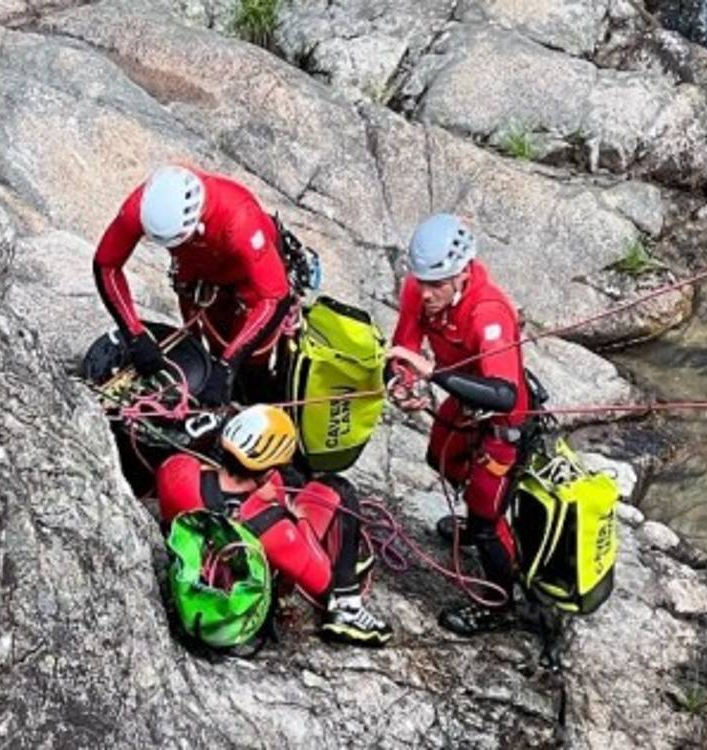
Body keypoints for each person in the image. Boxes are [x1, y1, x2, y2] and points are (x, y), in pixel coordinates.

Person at [386, 214, 530, 636]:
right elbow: (404, 347)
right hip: (464, 401)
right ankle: (477, 516)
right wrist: (403, 381)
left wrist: (430, 374)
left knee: (487, 522)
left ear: (463, 275)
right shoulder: (418, 288)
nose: (426, 294)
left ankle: (499, 606)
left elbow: (504, 393)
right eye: (423, 283)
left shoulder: (489, 313)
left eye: (437, 285)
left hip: (503, 423)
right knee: (440, 457)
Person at [154, 405, 393, 647]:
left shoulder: (176, 471)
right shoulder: (274, 529)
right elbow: (321, 581)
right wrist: (296, 517)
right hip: (238, 596)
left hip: (197, 561)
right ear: (268, 472)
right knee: (337, 488)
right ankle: (347, 607)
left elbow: (207, 473)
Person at [93, 165, 295, 405]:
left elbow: (275, 297)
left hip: (251, 284)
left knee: (252, 368)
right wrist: (135, 336)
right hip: (201, 277)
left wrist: (229, 366)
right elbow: (106, 266)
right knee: (208, 352)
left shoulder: (239, 219)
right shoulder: (142, 208)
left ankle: (260, 401)